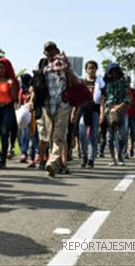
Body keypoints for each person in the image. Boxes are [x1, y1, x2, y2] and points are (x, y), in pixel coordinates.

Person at [39, 41, 76, 177]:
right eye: (48, 50)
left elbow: (75, 81)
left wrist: (67, 71)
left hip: (63, 105)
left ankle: (52, 161)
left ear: (57, 50)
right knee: (51, 137)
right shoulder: (43, 65)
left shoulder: (65, 64)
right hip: (47, 106)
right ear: (45, 52)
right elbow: (36, 85)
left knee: (59, 136)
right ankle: (59, 165)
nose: (50, 52)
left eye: (53, 49)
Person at [0, 58, 20, 168]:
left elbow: (15, 98)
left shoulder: (11, 81)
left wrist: (12, 87)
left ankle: (3, 159)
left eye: (2, 68)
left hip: (7, 108)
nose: (0, 70)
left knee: (4, 133)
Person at [100, 63, 130, 166]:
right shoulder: (105, 84)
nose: (114, 73)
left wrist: (119, 106)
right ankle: (113, 158)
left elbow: (127, 98)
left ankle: (120, 155)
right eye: (112, 71)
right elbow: (103, 99)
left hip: (121, 110)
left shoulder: (123, 83)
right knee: (109, 137)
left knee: (123, 135)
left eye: (116, 71)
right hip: (109, 110)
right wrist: (102, 113)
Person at [75, 61, 102, 168]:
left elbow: (103, 99)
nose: (91, 70)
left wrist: (102, 114)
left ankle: (91, 159)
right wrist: (74, 113)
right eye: (89, 68)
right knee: (82, 133)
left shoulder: (100, 82)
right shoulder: (82, 83)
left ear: (96, 69)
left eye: (93, 68)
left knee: (93, 136)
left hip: (95, 111)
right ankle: (84, 156)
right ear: (86, 70)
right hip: (83, 110)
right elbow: (77, 99)